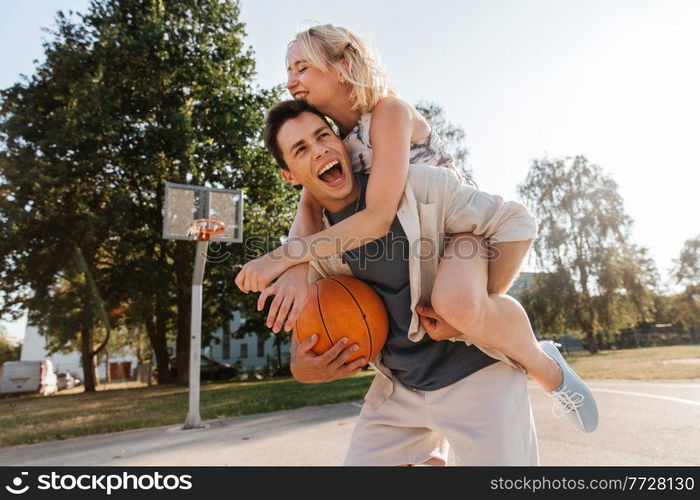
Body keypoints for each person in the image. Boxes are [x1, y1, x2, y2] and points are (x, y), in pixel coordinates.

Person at [235, 24, 597, 433]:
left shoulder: (389, 113)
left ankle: (548, 368)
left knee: (458, 308)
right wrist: (299, 272)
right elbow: (309, 209)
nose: (290, 81)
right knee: (443, 319)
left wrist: (279, 258)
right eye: (289, 71)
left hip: (460, 230)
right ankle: (430, 448)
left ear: (341, 65)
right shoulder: (336, 144)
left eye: (302, 67)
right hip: (424, 252)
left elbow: (377, 218)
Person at [262, 99, 547, 465]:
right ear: (289, 175)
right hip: (399, 391)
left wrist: (475, 309)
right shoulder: (307, 247)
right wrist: (303, 368)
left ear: (339, 141)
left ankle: (541, 361)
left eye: (322, 137)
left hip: (478, 374)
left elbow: (515, 223)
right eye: (301, 149)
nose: (319, 150)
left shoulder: (416, 187)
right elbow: (307, 338)